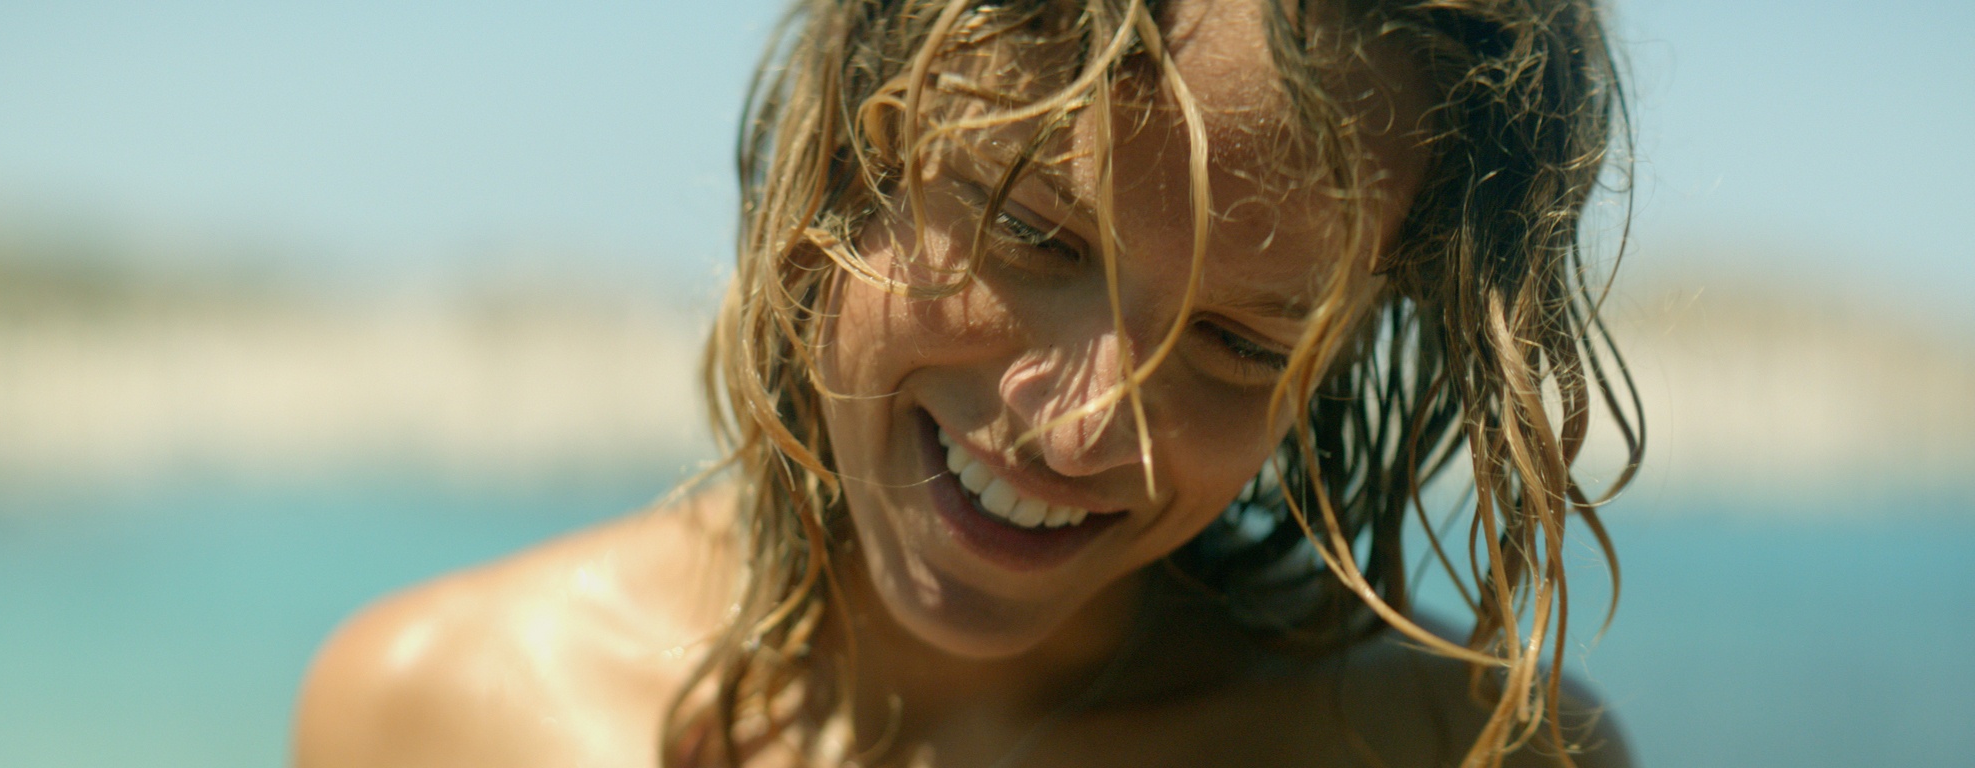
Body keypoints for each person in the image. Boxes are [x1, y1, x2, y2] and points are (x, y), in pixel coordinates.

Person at [293, 0, 1643, 765]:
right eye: (1033, 235)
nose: (1083, 427)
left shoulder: (1456, 751)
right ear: (854, 147)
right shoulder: (434, 711)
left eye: (1243, 345)